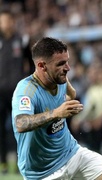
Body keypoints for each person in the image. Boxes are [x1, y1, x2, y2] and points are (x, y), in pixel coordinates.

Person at [11, 37, 102, 180]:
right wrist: (56, 113)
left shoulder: (59, 78)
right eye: (61, 63)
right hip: (42, 172)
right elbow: (20, 123)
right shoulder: (26, 91)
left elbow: (72, 94)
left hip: (72, 153)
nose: (68, 68)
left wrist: (68, 104)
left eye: (67, 61)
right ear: (42, 66)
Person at [0, 10, 32, 174]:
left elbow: (31, 63)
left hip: (18, 93)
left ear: (12, 21)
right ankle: (3, 164)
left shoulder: (22, 40)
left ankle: (22, 163)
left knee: (20, 127)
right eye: (2, 20)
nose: (4, 23)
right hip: (0, 92)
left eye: (7, 20)